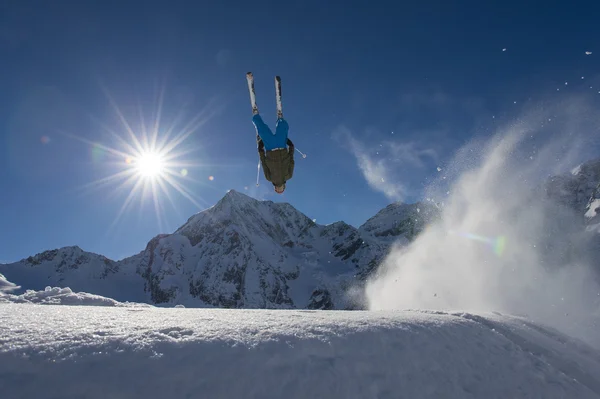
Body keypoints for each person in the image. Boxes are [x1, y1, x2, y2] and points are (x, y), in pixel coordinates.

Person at [252, 113, 295, 194]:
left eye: (278, 190)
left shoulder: (270, 178)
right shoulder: (288, 176)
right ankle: (279, 119)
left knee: (264, 130)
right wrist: (291, 147)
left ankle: (257, 116)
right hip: (279, 146)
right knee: (266, 130)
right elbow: (291, 161)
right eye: (281, 189)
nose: (279, 188)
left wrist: (261, 150)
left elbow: (264, 163)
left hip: (272, 147)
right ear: (284, 186)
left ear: (275, 188)